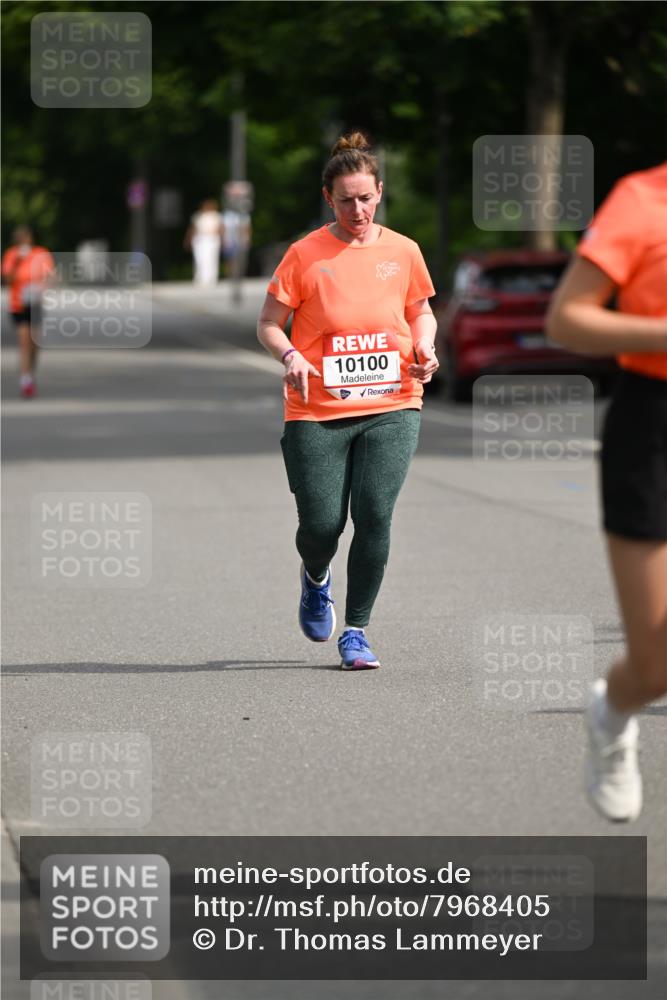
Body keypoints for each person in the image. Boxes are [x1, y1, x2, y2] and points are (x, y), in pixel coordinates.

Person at [257, 132, 438, 670]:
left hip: (394, 401)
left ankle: (356, 630)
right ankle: (316, 576)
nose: (357, 210)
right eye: (345, 200)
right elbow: (269, 324)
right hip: (318, 409)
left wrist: (426, 344)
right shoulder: (305, 254)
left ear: (379, 192)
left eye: (365, 197)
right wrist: (290, 355)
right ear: (327, 198)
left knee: (375, 514)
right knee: (321, 526)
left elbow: (421, 311)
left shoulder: (403, 251)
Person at [546, 161, 667, 822]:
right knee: (655, 667)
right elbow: (566, 319)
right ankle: (611, 713)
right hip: (652, 425)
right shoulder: (643, 201)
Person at [1, 226, 55, 398]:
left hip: (36, 303)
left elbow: (51, 276)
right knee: (24, 342)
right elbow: (7, 280)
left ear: (30, 238)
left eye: (25, 238)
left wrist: (45, 286)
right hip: (19, 305)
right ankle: (25, 380)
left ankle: (30, 372)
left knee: (34, 344)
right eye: (19, 239)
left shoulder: (41, 253)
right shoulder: (11, 255)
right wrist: (17, 262)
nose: (22, 242)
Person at [184, 199, 223, 285]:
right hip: (199, 238)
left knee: (211, 258)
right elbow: (192, 228)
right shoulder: (198, 216)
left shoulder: (216, 216)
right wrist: (189, 239)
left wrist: (221, 238)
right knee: (199, 258)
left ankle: (211, 278)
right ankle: (200, 277)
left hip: (212, 238)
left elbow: (220, 228)